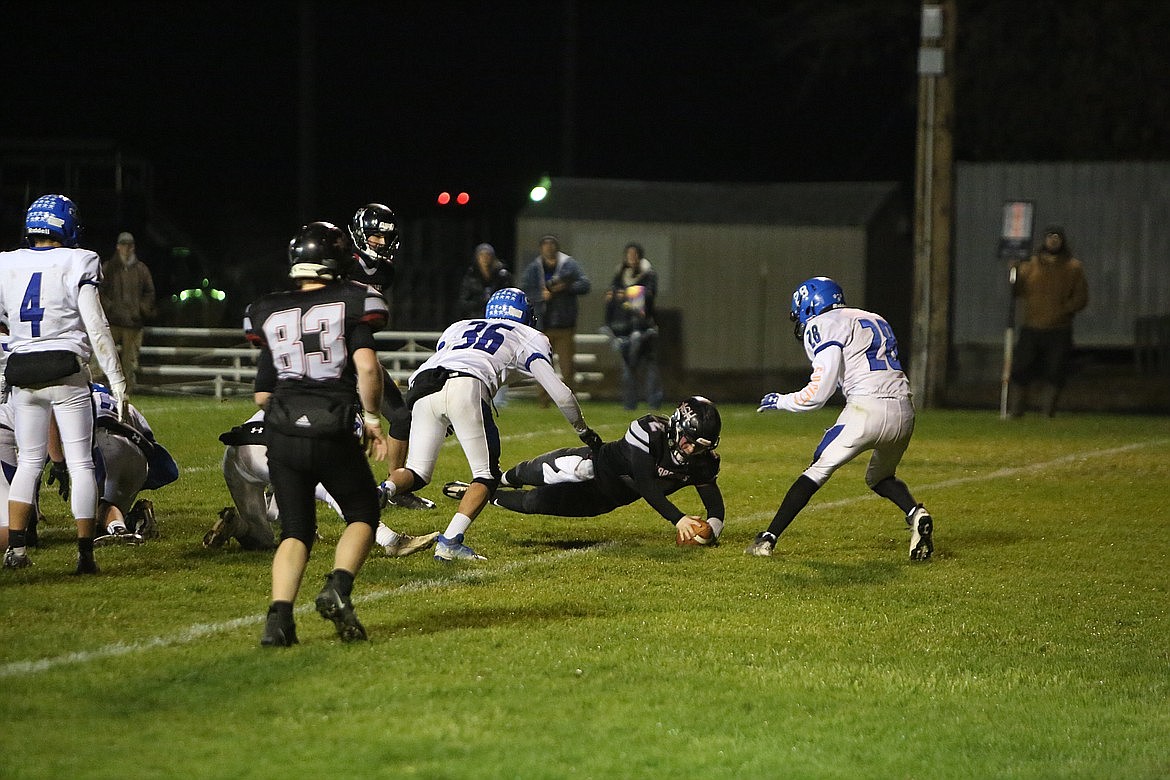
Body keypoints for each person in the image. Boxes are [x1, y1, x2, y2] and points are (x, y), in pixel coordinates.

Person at [245, 221, 390, 647]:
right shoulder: (351, 301)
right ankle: (338, 588)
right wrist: (373, 418)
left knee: (295, 529)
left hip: (282, 429)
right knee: (362, 511)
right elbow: (367, 367)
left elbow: (260, 394)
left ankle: (279, 620)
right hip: (331, 425)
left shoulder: (270, 309)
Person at [379, 287, 603, 562]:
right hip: (467, 385)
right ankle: (450, 542)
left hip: (423, 385)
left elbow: (446, 362)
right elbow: (561, 394)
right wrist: (583, 430)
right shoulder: (529, 335)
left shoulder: (460, 326)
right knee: (486, 476)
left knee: (416, 472)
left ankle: (384, 490)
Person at [746, 276, 934, 561]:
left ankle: (767, 539)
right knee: (880, 477)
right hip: (904, 411)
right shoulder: (873, 318)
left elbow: (818, 394)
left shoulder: (822, 324)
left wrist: (781, 400)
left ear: (810, 307)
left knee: (817, 469)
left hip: (866, 410)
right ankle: (915, 513)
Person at [0, 194, 128, 575]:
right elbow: (97, 325)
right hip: (66, 371)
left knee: (30, 462)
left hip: (23, 372)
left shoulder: (7, 263)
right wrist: (117, 379)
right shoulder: (79, 260)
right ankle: (85, 553)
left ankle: (18, 551)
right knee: (79, 462)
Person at [443, 396, 723, 544]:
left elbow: (715, 506)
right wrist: (678, 519)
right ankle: (497, 478)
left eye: (700, 446)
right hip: (590, 465)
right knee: (536, 473)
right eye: (690, 442)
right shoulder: (649, 429)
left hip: (605, 499)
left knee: (535, 502)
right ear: (676, 425)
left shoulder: (702, 461)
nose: (692, 451)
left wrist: (710, 532)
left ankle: (483, 494)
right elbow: (646, 484)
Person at [204, 409, 439, 556]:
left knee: (261, 540)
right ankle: (391, 540)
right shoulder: (344, 415)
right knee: (329, 489)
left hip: (237, 453)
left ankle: (238, 525)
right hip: (270, 453)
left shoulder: (301, 390)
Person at [347, 203, 435, 510]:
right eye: (375, 237)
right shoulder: (339, 261)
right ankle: (281, 491)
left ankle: (396, 488)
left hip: (362, 353)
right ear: (360, 234)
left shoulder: (385, 271)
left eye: (387, 237)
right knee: (338, 428)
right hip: (331, 359)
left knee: (401, 416)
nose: (382, 244)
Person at [1008, 225, 1089, 417]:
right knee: (1021, 369)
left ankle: (1047, 411)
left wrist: (1064, 310)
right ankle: (1016, 410)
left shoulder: (1073, 267)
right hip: (1031, 326)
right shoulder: (1029, 265)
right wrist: (1013, 271)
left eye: (1056, 238)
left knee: (1055, 371)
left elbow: (1081, 297)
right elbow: (1016, 290)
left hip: (1059, 328)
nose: (1053, 241)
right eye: (1050, 237)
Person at [520, 234, 590, 407]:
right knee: (542, 366)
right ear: (541, 248)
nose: (549, 248)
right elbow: (525, 291)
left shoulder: (569, 265)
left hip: (564, 324)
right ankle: (544, 401)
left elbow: (584, 284)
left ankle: (570, 401)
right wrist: (541, 296)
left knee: (567, 367)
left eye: (552, 245)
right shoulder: (534, 268)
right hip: (543, 324)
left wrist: (564, 288)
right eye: (545, 245)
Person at [602, 242, 663, 410]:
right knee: (628, 367)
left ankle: (654, 402)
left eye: (634, 255)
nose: (631, 258)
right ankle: (629, 404)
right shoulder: (620, 273)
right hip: (626, 327)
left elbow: (648, 295)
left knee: (650, 366)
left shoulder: (649, 274)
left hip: (644, 327)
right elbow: (611, 295)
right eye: (629, 255)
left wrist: (626, 294)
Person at [97, 232, 156, 393]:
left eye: (129, 245)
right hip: (112, 322)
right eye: (123, 245)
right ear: (118, 247)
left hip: (133, 323)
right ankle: (103, 391)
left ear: (133, 247)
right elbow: (99, 291)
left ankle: (126, 393)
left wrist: (141, 309)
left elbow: (149, 292)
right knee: (104, 357)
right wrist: (109, 308)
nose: (126, 248)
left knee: (129, 363)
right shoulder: (108, 268)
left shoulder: (141, 269)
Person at [456, 243, 514, 320]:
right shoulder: (471, 276)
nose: (485, 258)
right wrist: (480, 301)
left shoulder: (502, 276)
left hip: (497, 318)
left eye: (488, 255)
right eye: (482, 255)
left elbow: (510, 298)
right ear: (477, 258)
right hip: (476, 319)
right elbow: (463, 302)